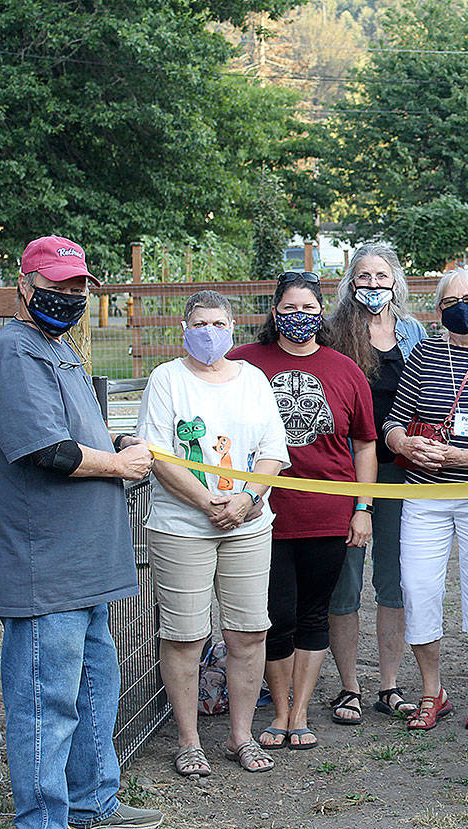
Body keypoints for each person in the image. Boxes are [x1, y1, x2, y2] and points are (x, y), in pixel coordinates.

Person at [0, 236, 163, 829]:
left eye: (78, 286)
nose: (69, 295)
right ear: (24, 285)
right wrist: (119, 465)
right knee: (44, 698)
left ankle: (90, 800)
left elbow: (79, 433)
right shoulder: (13, 354)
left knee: (94, 686)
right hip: (42, 563)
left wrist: (120, 452)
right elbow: (44, 450)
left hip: (84, 561)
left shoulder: (61, 352)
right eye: (56, 285)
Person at [137, 290, 290, 776]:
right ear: (184, 327)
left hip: (248, 524)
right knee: (184, 634)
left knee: (248, 631)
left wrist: (245, 501)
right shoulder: (166, 380)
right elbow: (157, 454)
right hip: (182, 526)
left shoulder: (253, 380)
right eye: (199, 323)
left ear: (232, 327)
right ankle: (188, 741)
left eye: (218, 323)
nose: (209, 332)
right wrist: (207, 503)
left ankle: (240, 736)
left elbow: (272, 450)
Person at [233, 271, 377, 751]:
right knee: (275, 613)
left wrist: (364, 507)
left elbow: (364, 445)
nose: (299, 317)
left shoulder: (344, 369)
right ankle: (276, 711)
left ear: (322, 314)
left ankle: (300, 714)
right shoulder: (243, 364)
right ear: (275, 312)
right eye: (290, 309)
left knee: (315, 613)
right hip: (262, 513)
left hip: (328, 513)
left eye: (308, 309)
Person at [383, 268, 468, 730]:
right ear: (437, 309)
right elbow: (393, 423)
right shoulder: (422, 354)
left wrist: (464, 458)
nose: (462, 306)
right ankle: (431, 689)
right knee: (419, 590)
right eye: (450, 300)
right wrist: (405, 445)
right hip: (425, 494)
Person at [324, 243, 427, 723]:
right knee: (344, 582)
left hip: (402, 473)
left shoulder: (414, 334)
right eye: (362, 276)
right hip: (345, 472)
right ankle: (348, 687)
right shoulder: (332, 334)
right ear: (350, 282)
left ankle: (388, 683)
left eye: (380, 275)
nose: (372, 284)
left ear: (395, 281)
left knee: (395, 581)